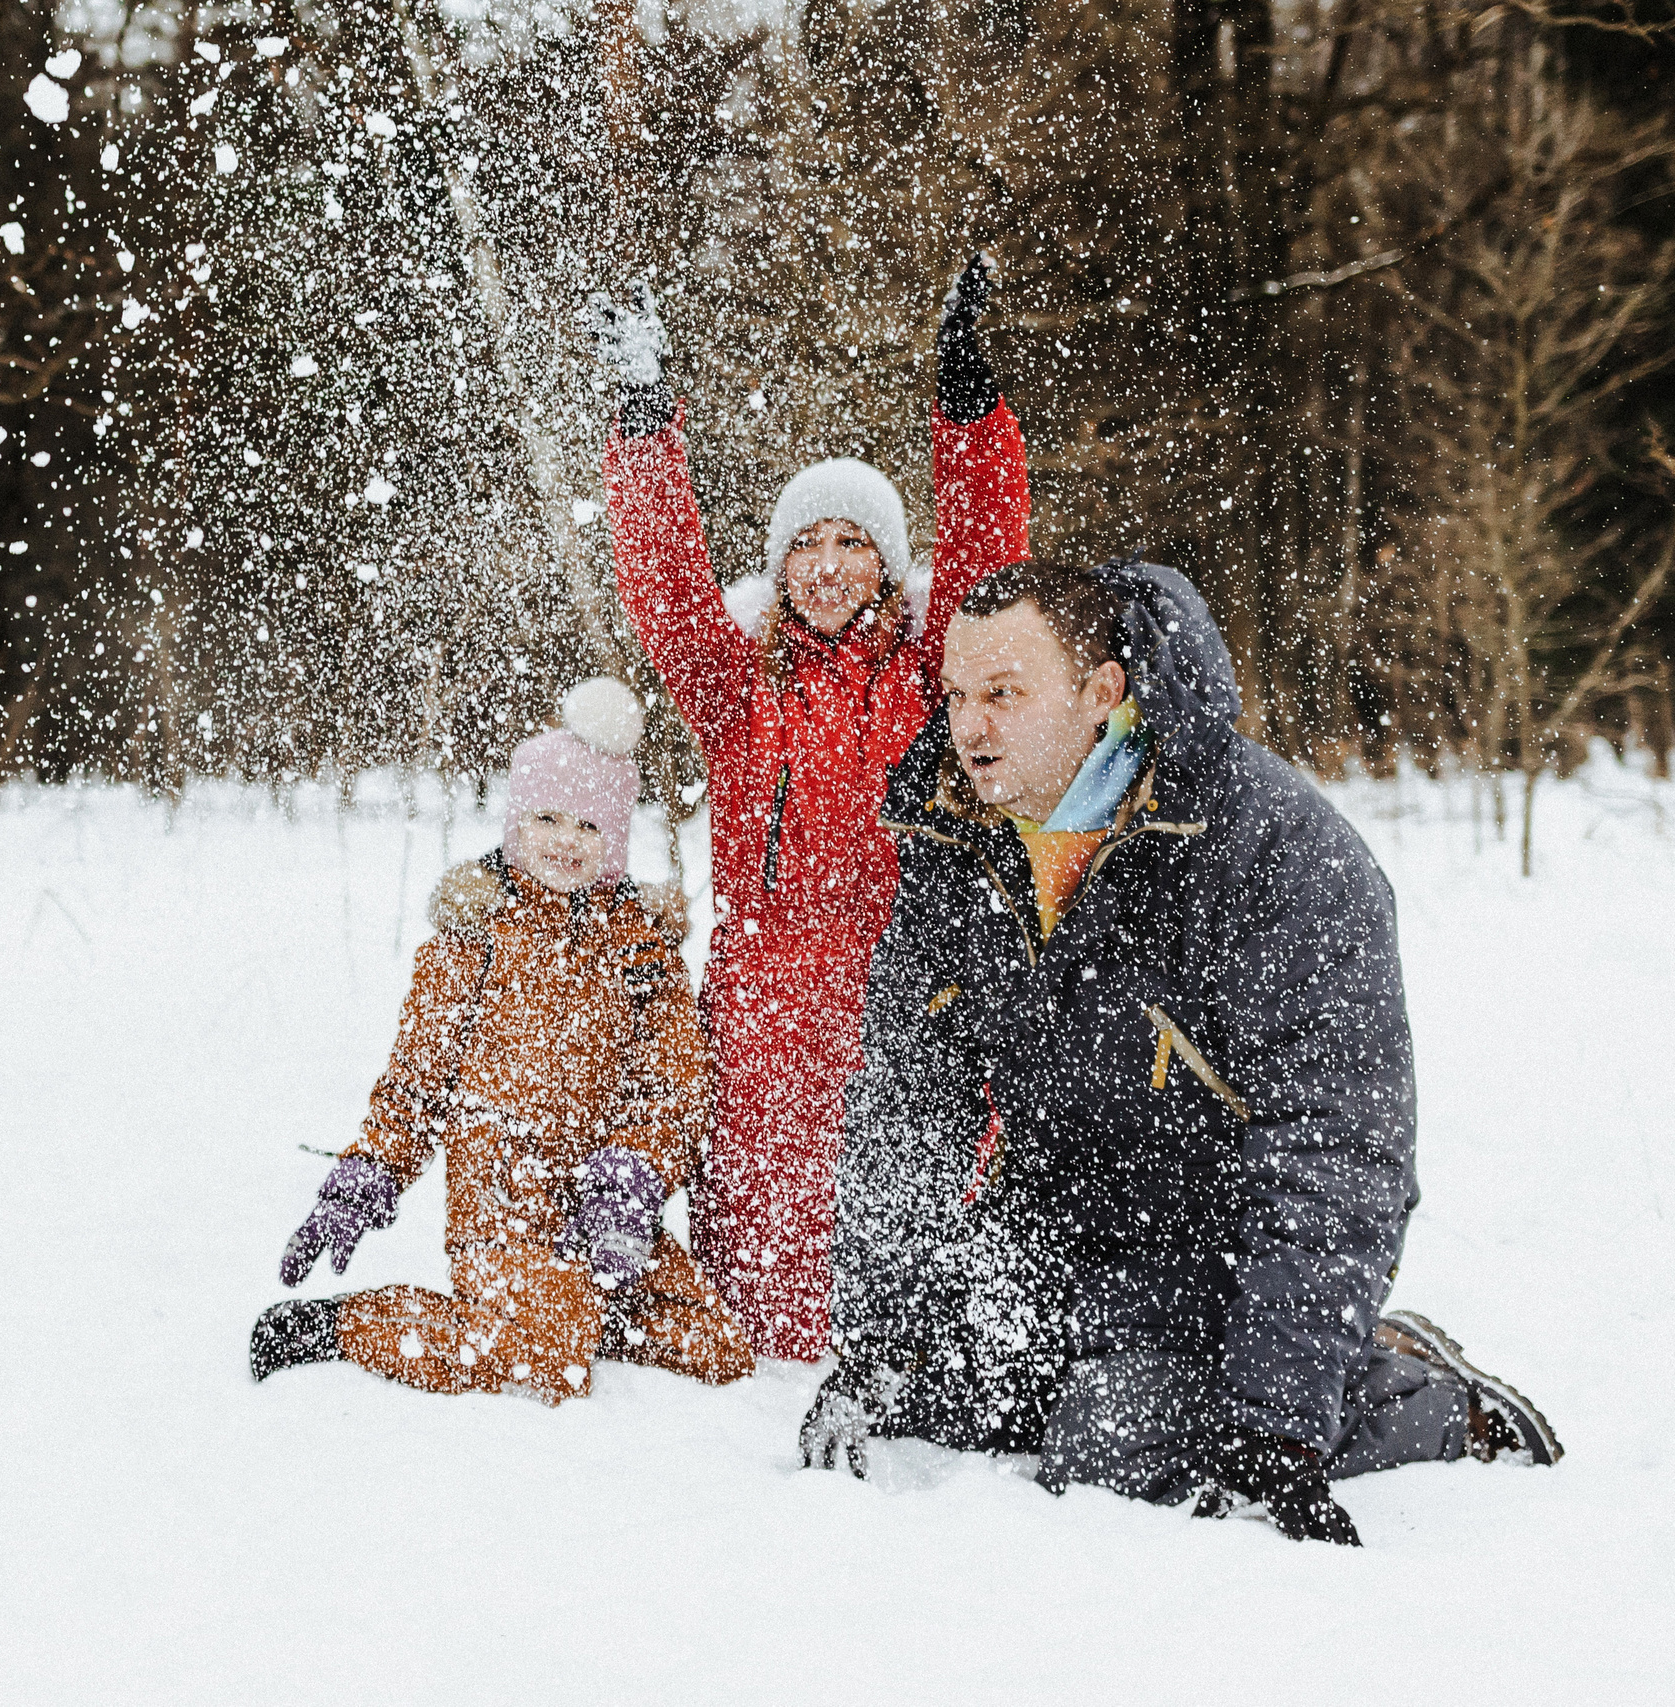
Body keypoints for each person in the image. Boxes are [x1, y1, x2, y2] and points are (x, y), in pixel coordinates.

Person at [801, 555, 1561, 1542]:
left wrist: (1276, 1421)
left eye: (1004, 694)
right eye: (954, 694)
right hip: (1057, 1228)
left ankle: (1417, 1394)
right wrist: (876, 1344)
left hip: (1221, 1249)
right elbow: (908, 1105)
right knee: (936, 1393)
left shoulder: (1274, 852)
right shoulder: (957, 839)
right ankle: (1128, 1364)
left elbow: (1337, 1149)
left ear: (1100, 691)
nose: (969, 726)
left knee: (1112, 1453)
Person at [582, 256, 1029, 1360]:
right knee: (762, 1308)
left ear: (887, 562)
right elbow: (665, 587)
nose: (826, 566)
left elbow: (988, 552)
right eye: (805, 546)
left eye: (851, 542)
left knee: (901, 1279)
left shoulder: (936, 669)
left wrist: (967, 410)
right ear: (780, 567)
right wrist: (643, 426)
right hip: (763, 1013)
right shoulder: (738, 685)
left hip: (906, 996)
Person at [250, 679, 753, 1402]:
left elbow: (673, 1084)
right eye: (548, 818)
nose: (567, 841)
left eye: (589, 825)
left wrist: (633, 1174)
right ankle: (345, 1326)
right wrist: (372, 1169)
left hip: (596, 1201)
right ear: (518, 820)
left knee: (717, 1346)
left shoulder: (641, 948)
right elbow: (418, 1081)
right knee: (550, 1364)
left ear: (614, 837)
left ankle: (571, 1309)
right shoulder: (473, 937)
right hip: (500, 1203)